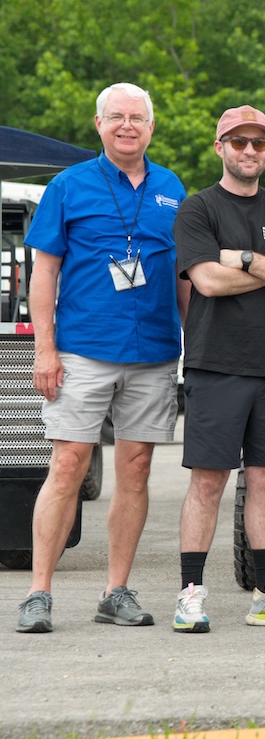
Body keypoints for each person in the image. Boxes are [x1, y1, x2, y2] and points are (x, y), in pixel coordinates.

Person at [16, 82, 187, 634]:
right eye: (116, 117)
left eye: (137, 118)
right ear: (98, 125)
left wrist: (192, 347)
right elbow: (43, 272)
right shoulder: (67, 187)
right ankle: (39, 592)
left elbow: (183, 277)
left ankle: (116, 590)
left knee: (135, 471)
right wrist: (44, 348)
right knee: (67, 467)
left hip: (155, 352)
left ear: (151, 128)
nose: (127, 126)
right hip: (82, 351)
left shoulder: (171, 188)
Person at [172, 105, 265, 632]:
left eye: (259, 143)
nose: (250, 151)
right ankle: (190, 593)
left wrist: (244, 258)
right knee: (209, 481)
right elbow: (207, 282)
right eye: (239, 142)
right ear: (220, 147)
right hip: (216, 366)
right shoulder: (198, 210)